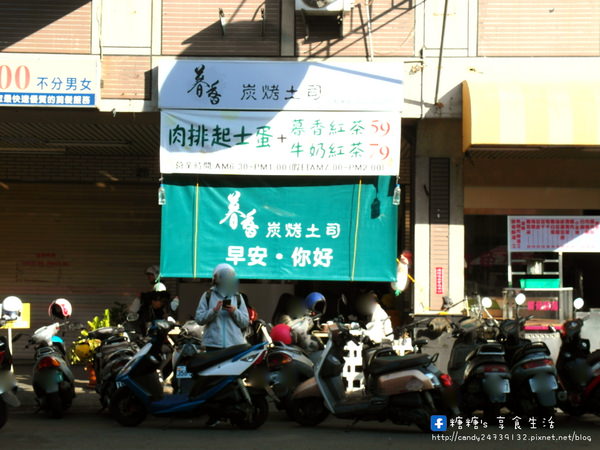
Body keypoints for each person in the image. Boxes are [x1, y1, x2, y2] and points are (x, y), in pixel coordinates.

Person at [195, 263, 249, 351]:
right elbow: (199, 319)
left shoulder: (237, 296)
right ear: (216, 278)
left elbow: (244, 322)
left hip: (234, 344)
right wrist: (214, 311)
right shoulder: (208, 295)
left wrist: (234, 311)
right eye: (223, 275)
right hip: (213, 344)